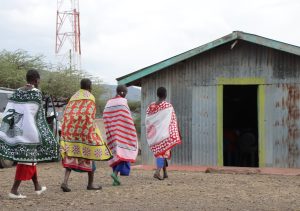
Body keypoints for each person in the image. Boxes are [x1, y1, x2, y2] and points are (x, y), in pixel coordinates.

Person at [0, 69, 58, 199]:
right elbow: (39, 116)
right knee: (27, 161)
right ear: (36, 80)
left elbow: (11, 109)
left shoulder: (17, 92)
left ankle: (37, 186)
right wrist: (45, 134)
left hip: (18, 129)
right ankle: (14, 190)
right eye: (39, 80)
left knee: (29, 160)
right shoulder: (36, 93)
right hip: (29, 132)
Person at [60, 78, 112, 192]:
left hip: (71, 132)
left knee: (71, 155)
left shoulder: (74, 97)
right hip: (84, 131)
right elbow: (89, 116)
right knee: (90, 154)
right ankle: (90, 184)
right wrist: (90, 132)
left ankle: (65, 182)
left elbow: (67, 114)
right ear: (90, 87)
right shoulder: (90, 98)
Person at [103, 85, 138, 186]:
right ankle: (114, 174)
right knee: (123, 153)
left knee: (117, 154)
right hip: (122, 132)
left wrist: (110, 127)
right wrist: (130, 128)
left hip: (112, 133)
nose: (126, 94)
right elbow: (127, 118)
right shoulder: (123, 102)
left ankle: (115, 180)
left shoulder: (109, 102)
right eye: (126, 92)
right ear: (122, 92)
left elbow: (105, 115)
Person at [145, 87, 182, 180]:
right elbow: (173, 120)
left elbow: (148, 119)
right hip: (164, 134)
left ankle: (165, 173)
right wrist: (178, 132)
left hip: (154, 135)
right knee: (163, 153)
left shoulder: (151, 106)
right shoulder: (168, 106)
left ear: (157, 94)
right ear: (165, 94)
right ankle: (157, 172)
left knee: (163, 152)